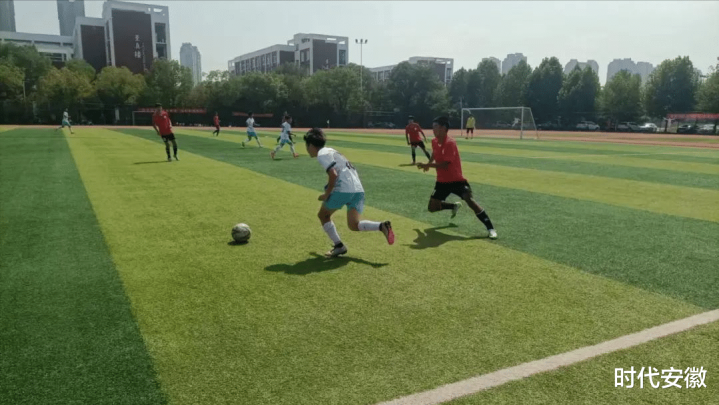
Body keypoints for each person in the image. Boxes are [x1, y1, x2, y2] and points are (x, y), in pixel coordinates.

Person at [304, 128, 394, 257]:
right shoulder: (332, 151)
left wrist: (327, 194)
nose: (307, 149)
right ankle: (382, 226)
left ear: (311, 145)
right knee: (354, 225)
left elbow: (333, 174)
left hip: (343, 189)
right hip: (358, 189)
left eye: (307, 146)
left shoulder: (322, 154)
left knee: (323, 215)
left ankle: (339, 246)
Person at [417, 116, 497, 239]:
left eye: (435, 127)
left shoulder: (450, 143)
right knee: (432, 208)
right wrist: (429, 162)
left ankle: (491, 228)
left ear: (443, 128)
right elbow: (435, 152)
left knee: (470, 200)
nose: (433, 129)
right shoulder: (434, 141)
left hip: (457, 180)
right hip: (442, 182)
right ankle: (453, 206)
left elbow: (445, 164)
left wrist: (427, 165)